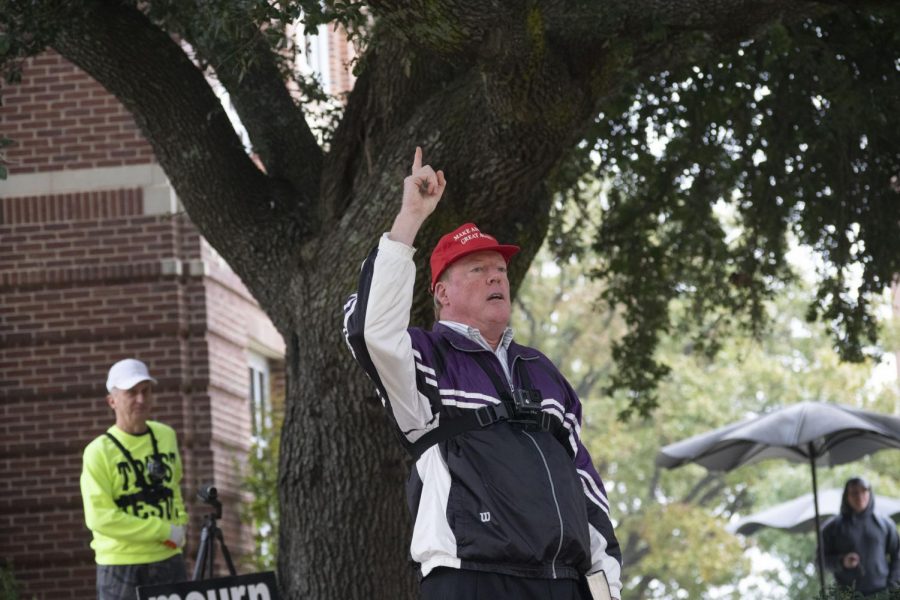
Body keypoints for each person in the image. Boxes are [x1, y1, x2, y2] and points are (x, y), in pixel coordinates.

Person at [343, 148, 622, 599]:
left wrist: (606, 585)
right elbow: (369, 329)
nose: (496, 277)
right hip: (471, 576)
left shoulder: (542, 372)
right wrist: (410, 217)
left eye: (500, 269)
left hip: (563, 584)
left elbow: (584, 479)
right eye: (477, 269)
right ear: (442, 294)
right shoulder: (424, 358)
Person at [80, 358, 189, 599]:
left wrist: (180, 525)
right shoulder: (98, 452)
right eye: (131, 392)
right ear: (112, 401)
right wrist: (163, 530)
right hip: (121, 564)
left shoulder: (166, 436)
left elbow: (174, 488)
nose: (141, 399)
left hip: (168, 559)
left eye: (146, 391)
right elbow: (101, 518)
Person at [821, 477, 900, 597]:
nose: (860, 496)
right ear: (847, 496)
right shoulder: (832, 528)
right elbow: (820, 561)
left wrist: (893, 586)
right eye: (854, 492)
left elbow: (897, 555)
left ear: (870, 493)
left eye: (864, 490)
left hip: (881, 592)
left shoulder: (885, 524)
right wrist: (842, 561)